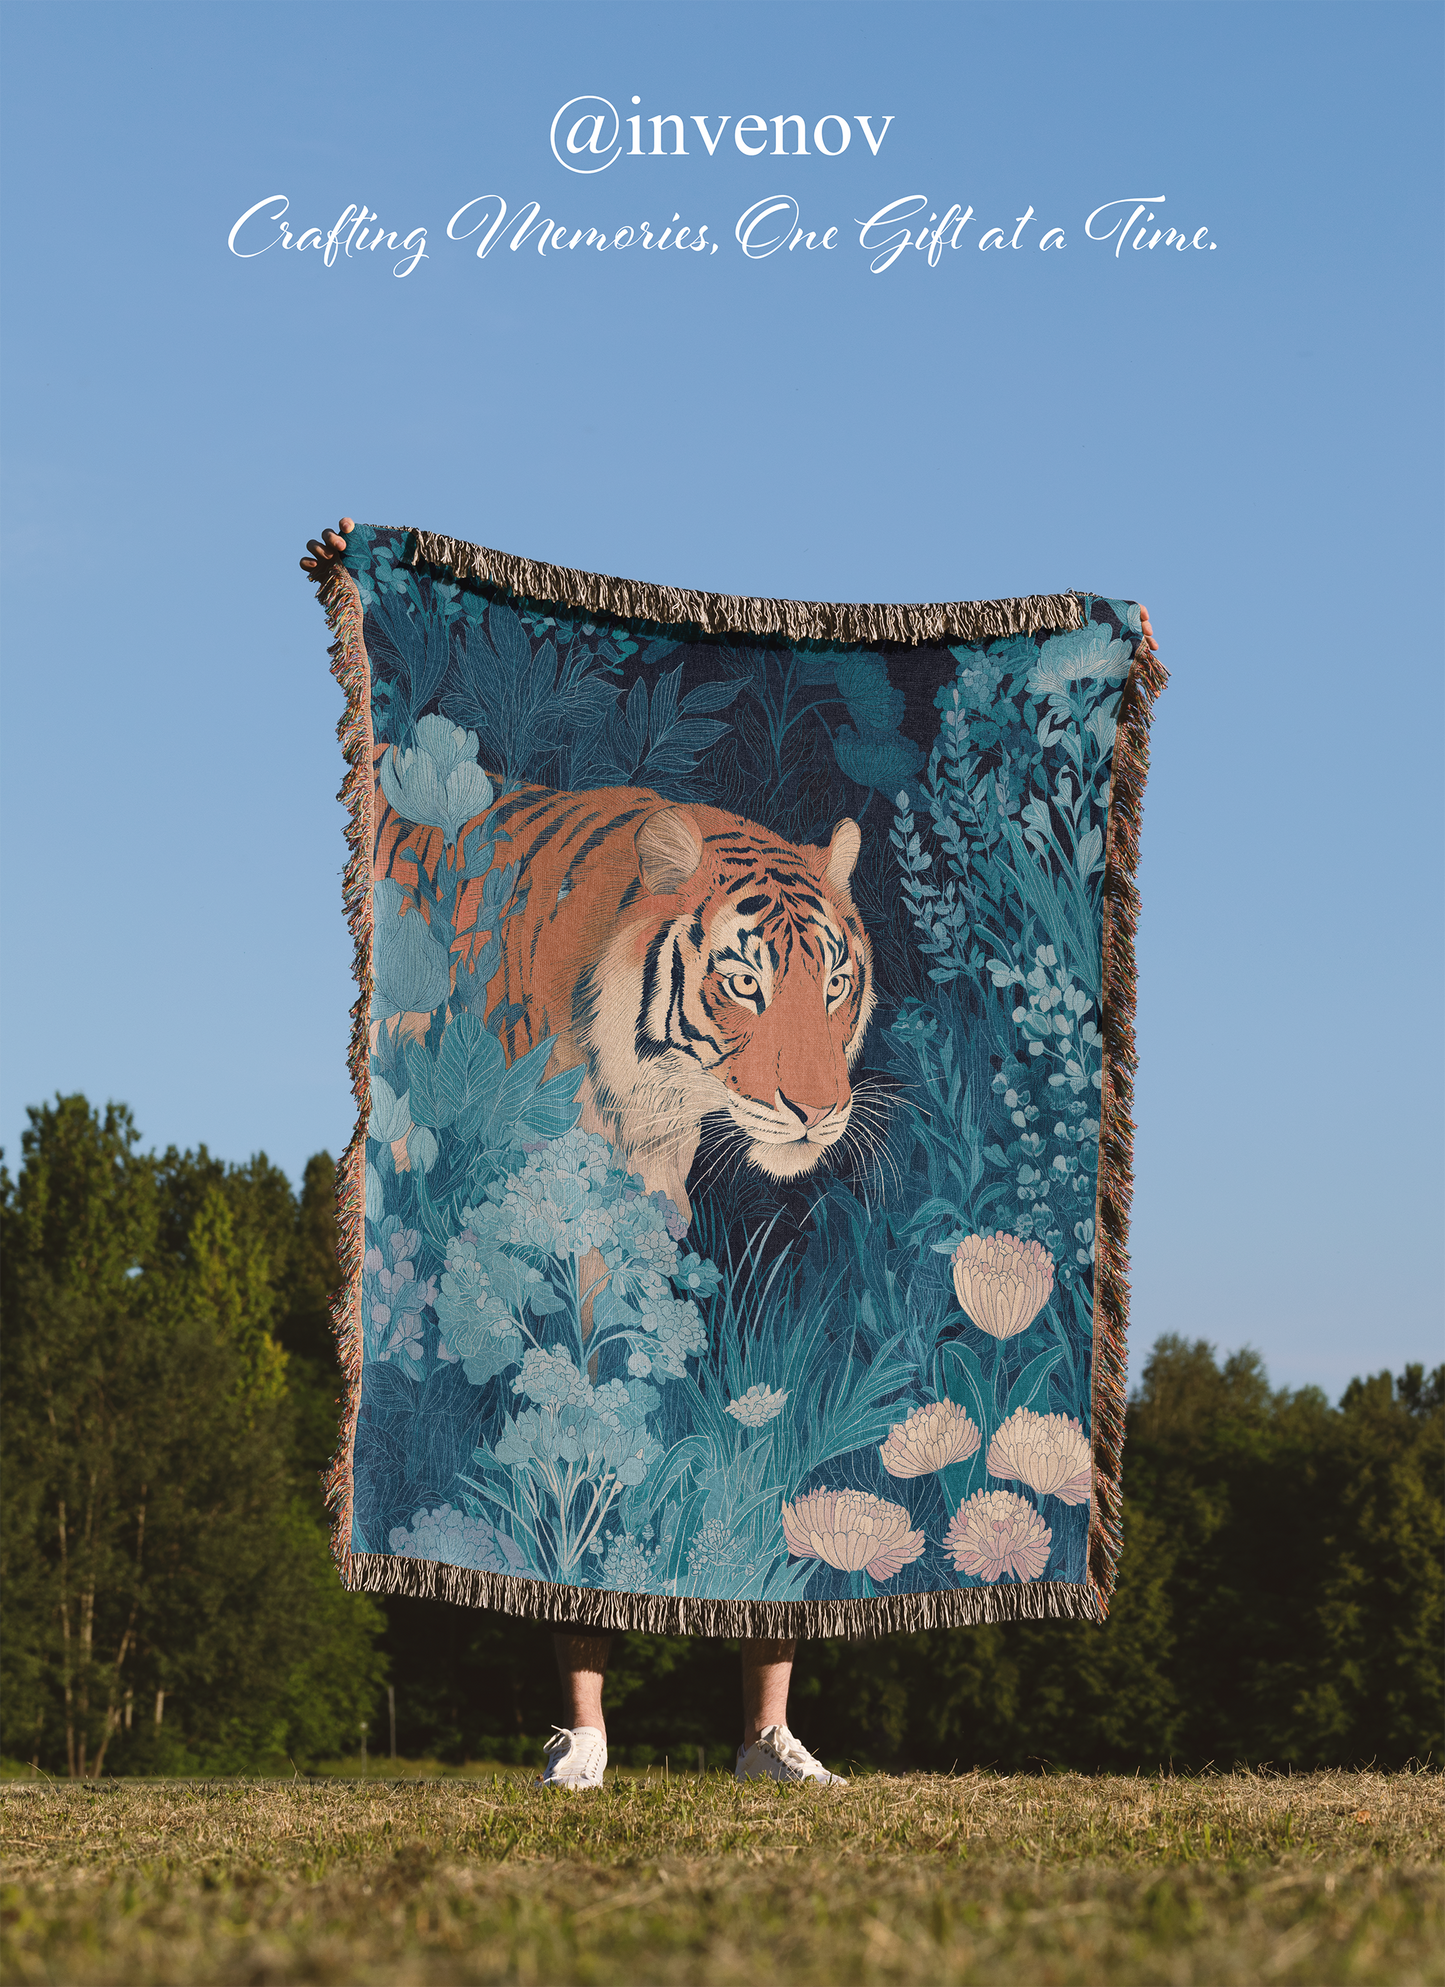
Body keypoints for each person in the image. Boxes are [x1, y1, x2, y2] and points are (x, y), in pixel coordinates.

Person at [302, 518, 1160, 1790]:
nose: (807, 1091)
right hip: (565, 1059)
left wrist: (1102, 664)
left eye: (826, 1002)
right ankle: (584, 1727)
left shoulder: (789, 1021)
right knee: (574, 1397)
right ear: (652, 928)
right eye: (743, 991)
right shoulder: (562, 969)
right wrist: (371, 577)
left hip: (695, 1124)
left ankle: (764, 1732)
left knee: (775, 1422)